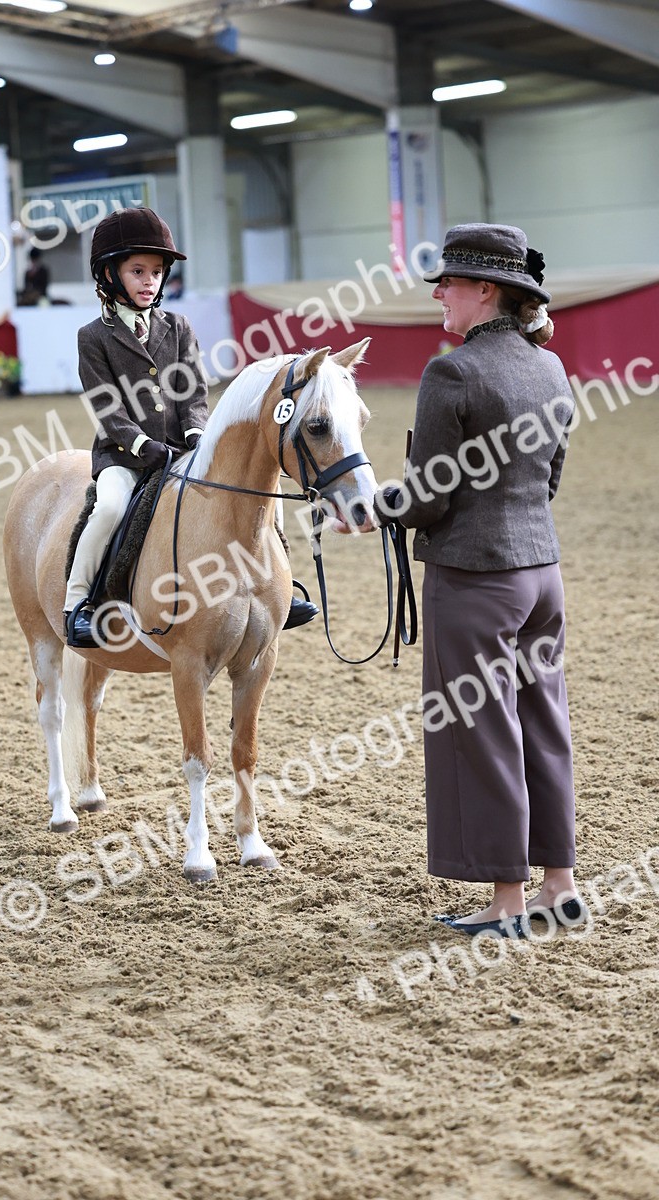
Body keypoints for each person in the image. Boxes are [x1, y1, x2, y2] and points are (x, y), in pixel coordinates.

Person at [375, 223, 587, 939]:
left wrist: (381, 506)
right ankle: (558, 885)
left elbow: (429, 496)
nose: (439, 294)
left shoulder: (453, 373)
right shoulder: (550, 367)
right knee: (544, 727)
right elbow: (549, 478)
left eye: (450, 283)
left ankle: (506, 900)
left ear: (486, 291)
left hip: (475, 580)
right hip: (541, 573)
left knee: (483, 733)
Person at [64, 206, 317, 647]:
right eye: (138, 271)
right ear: (109, 275)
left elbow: (194, 393)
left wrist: (198, 435)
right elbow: (107, 407)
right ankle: (79, 604)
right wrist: (141, 445)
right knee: (109, 509)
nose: (149, 281)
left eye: (157, 272)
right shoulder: (93, 336)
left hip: (183, 450)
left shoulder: (178, 327)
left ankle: (278, 585)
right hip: (124, 456)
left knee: (260, 496)